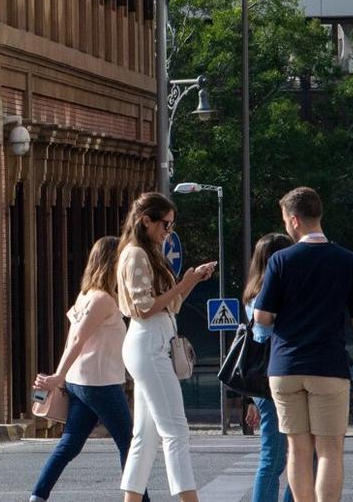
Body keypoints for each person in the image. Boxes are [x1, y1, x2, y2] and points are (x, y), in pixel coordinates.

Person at [252, 187, 353, 502]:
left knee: (297, 448)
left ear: (294, 220)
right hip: (328, 367)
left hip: (284, 368)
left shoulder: (280, 260)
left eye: (285, 221)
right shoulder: (347, 260)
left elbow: (262, 316)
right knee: (329, 450)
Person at [30, 237, 147, 502]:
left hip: (80, 382)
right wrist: (57, 375)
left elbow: (72, 337)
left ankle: (37, 496)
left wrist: (62, 375)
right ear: (111, 263)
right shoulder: (103, 299)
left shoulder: (86, 296)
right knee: (129, 444)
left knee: (69, 444)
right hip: (100, 383)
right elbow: (77, 339)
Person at [117, 192, 216, 502]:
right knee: (176, 430)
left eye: (171, 226)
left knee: (145, 437)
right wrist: (185, 283)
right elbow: (144, 307)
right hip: (148, 343)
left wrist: (191, 282)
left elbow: (169, 305)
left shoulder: (149, 253)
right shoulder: (136, 254)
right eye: (165, 225)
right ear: (146, 220)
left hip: (152, 341)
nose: (168, 232)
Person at [242, 232, 296, 502]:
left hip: (263, 380)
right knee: (277, 457)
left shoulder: (253, 291)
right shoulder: (269, 292)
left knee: (279, 455)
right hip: (274, 375)